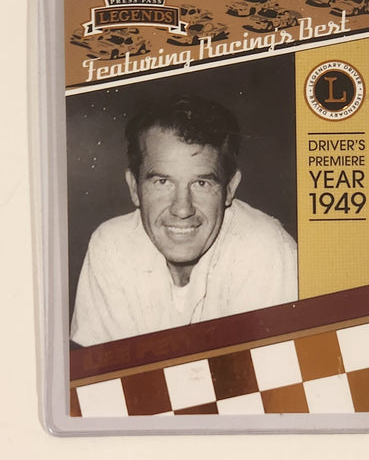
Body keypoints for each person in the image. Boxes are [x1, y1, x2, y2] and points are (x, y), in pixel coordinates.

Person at [70, 94, 298, 346]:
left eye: (201, 183)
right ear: (134, 187)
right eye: (162, 182)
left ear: (229, 188)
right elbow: (101, 368)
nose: (182, 209)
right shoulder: (112, 245)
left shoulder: (264, 249)